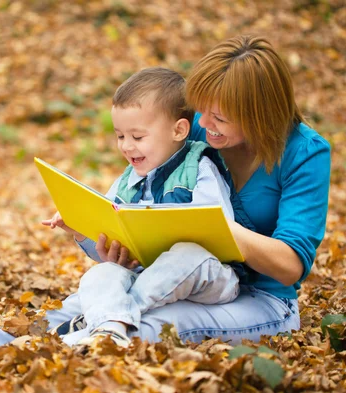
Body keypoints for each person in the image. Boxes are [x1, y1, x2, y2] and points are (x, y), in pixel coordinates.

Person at [0, 34, 330, 353]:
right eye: (201, 111)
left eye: (220, 117)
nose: (205, 124)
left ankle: (3, 358)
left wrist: (222, 232)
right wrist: (111, 234)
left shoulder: (304, 154)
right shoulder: (195, 130)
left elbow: (292, 265)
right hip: (165, 275)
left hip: (259, 300)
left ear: (258, 112)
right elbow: (142, 181)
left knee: (150, 322)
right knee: (88, 299)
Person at [41, 67, 241, 347]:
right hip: (147, 277)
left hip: (208, 274)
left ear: (178, 130)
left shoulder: (199, 168)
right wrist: (80, 230)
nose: (126, 146)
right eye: (120, 136)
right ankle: (109, 329)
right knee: (103, 274)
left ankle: (97, 319)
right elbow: (107, 243)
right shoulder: (128, 179)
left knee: (185, 254)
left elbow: (218, 228)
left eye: (137, 137)